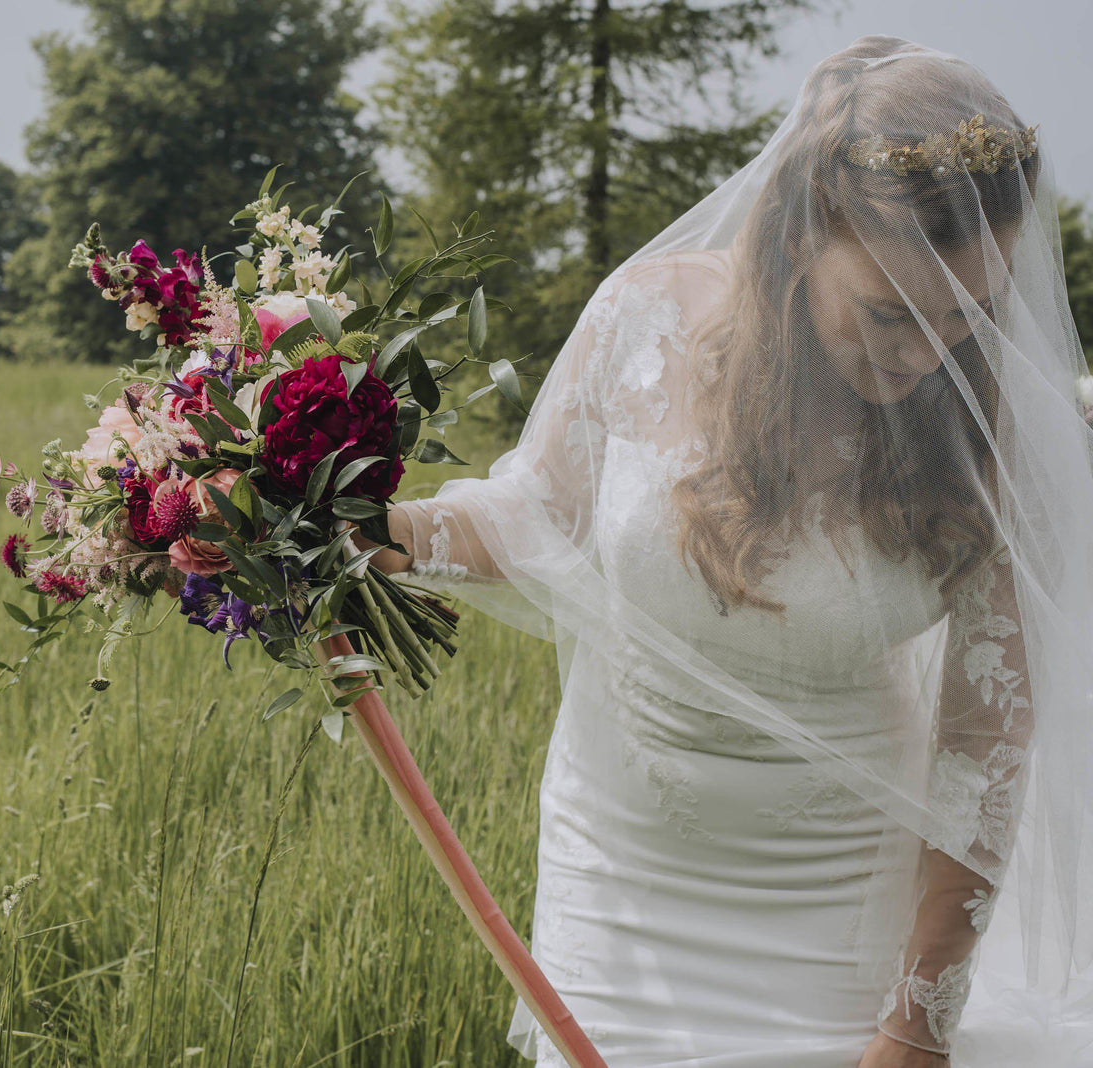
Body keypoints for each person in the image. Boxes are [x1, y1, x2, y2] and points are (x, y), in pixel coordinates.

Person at [354, 36, 1093, 1068]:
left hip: (841, 905)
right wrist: (355, 534)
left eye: (962, 316)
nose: (926, 355)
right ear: (797, 239)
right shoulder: (646, 316)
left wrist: (915, 1019)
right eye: (887, 312)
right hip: (619, 879)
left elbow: (986, 742)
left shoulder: (996, 419)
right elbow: (532, 519)